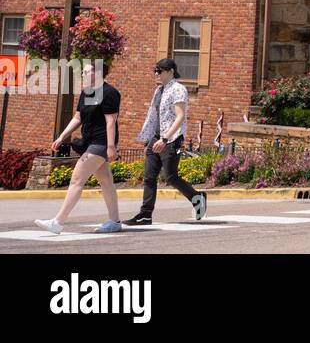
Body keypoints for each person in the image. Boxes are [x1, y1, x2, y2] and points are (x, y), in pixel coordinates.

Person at [35, 61, 123, 234]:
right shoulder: (86, 93)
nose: (82, 75)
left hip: (101, 143)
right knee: (106, 181)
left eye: (85, 72)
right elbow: (78, 118)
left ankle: (57, 222)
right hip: (89, 141)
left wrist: (111, 147)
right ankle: (115, 221)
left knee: (76, 180)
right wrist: (61, 136)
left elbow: (110, 121)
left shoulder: (110, 93)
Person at [124, 58, 206, 225]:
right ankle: (145, 214)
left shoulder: (178, 89)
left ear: (170, 71)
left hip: (171, 138)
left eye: (159, 71)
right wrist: (149, 138)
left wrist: (165, 138)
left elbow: (180, 116)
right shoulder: (159, 90)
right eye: (155, 70)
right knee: (149, 177)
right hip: (156, 137)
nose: (156, 74)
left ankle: (197, 197)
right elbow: (154, 116)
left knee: (170, 177)